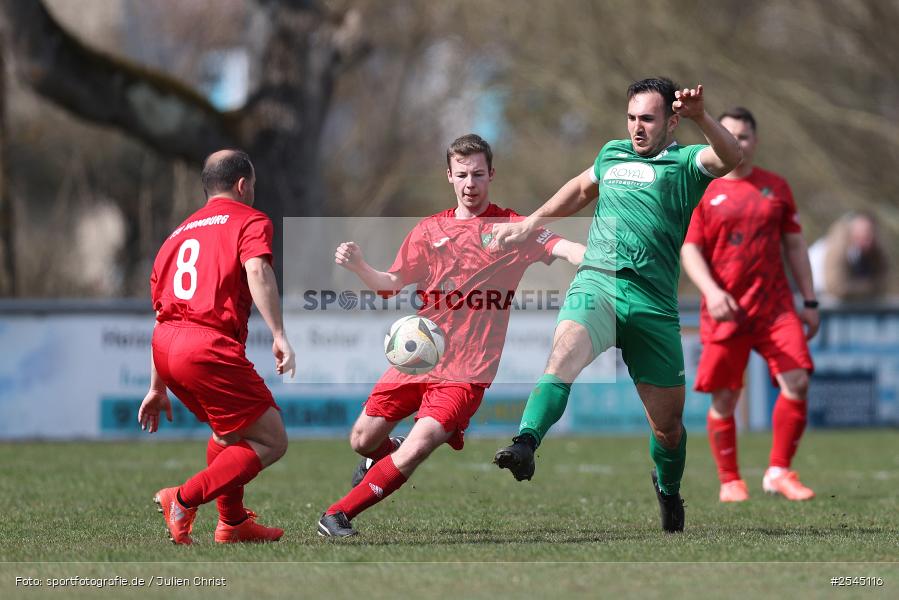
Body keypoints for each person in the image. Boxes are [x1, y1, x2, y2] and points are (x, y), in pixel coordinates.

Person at [490, 78, 742, 533]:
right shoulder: (611, 154)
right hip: (598, 285)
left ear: (672, 120)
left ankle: (667, 489)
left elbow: (730, 157)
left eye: (647, 119)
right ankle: (525, 443)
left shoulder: (685, 163)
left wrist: (705, 116)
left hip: (653, 306)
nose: (636, 128)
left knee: (668, 430)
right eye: (631, 118)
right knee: (561, 358)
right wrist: (531, 224)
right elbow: (580, 189)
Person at [317, 134, 586, 537]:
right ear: (449, 176)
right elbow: (391, 283)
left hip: (468, 370)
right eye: (462, 174)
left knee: (420, 444)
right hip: (419, 356)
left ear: (491, 174)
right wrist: (359, 267)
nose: (470, 183)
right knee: (362, 439)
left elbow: (565, 248)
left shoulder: (513, 228)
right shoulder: (429, 231)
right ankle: (383, 459)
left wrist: (600, 260)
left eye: (478, 174)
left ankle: (337, 515)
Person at [138, 149, 296, 545]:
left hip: (166, 347)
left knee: (229, 436)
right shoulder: (250, 219)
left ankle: (233, 523)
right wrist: (278, 333)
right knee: (272, 440)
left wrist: (157, 388)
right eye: (253, 186)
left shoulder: (177, 234)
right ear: (243, 185)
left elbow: (162, 314)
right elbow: (257, 269)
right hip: (205, 347)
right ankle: (182, 498)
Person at [681, 107, 818, 503]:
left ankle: (778, 472)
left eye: (744, 136)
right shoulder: (703, 189)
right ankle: (730, 481)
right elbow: (690, 250)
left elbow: (794, 245)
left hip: (775, 309)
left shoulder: (776, 187)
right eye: (730, 135)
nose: (737, 142)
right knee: (725, 398)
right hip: (727, 311)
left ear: (755, 141)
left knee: (798, 381)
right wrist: (711, 291)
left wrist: (809, 299)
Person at [808, 211, 889, 302]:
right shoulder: (837, 248)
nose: (868, 238)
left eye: (870, 233)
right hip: (816, 294)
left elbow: (882, 283)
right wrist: (869, 286)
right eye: (863, 233)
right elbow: (837, 288)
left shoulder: (872, 251)